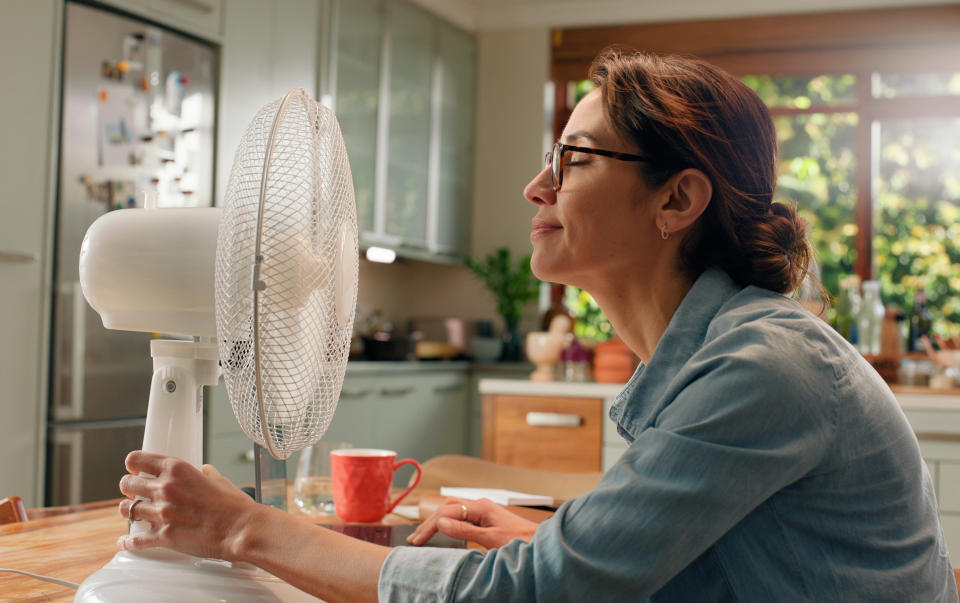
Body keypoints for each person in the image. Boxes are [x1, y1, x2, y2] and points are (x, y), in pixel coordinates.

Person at [117, 50, 956, 601]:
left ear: (678, 199)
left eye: (574, 159)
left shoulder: (764, 368)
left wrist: (244, 526)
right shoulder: (718, 349)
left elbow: (534, 595)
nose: (536, 186)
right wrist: (560, 534)